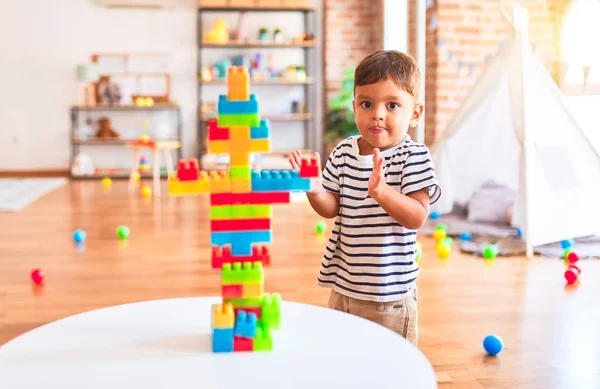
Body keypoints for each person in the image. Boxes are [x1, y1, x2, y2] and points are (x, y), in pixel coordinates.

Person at [289, 50, 441, 345]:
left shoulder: (414, 156)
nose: (378, 114)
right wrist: (315, 188)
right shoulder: (345, 151)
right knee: (346, 362)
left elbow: (417, 216)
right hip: (344, 289)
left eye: (392, 104)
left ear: (415, 114)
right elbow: (331, 208)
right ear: (354, 105)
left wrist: (382, 192)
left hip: (389, 298)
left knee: (389, 369)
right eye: (367, 103)